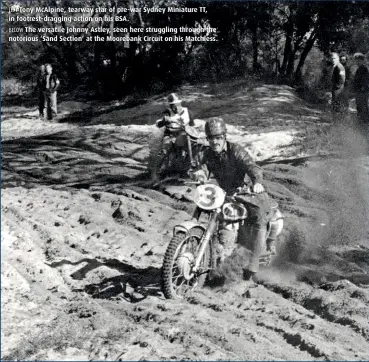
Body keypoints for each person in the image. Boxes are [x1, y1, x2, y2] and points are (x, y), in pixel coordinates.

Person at [191, 118, 275, 292]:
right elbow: (202, 167)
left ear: (224, 136)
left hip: (246, 193)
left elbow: (252, 167)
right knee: (212, 217)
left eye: (218, 137)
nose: (214, 141)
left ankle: (252, 269)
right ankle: (210, 261)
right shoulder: (207, 153)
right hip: (224, 193)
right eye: (211, 138)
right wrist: (199, 174)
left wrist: (256, 181)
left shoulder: (236, 151)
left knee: (260, 219)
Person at [152, 93, 194, 180]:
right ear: (170, 106)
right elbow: (158, 124)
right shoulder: (167, 113)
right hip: (170, 135)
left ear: (180, 104)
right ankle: (155, 172)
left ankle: (189, 169)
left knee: (192, 148)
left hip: (183, 134)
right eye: (172, 106)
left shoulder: (187, 112)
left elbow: (192, 126)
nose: (175, 108)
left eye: (177, 105)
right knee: (164, 151)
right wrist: (164, 120)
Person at [352, 53, 369, 125]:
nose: (357, 62)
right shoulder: (358, 69)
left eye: (359, 60)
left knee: (363, 107)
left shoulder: (364, 69)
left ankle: (365, 122)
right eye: (356, 60)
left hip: (362, 92)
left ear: (362, 61)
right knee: (359, 107)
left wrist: (362, 89)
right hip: (358, 91)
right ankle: (361, 122)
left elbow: (365, 81)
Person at [330, 52, 346, 122]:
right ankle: (335, 121)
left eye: (334, 58)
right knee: (335, 106)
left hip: (338, 90)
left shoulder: (340, 67)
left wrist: (336, 87)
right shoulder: (336, 66)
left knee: (337, 106)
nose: (333, 60)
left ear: (338, 59)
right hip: (336, 90)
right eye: (332, 58)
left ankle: (337, 122)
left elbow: (342, 80)